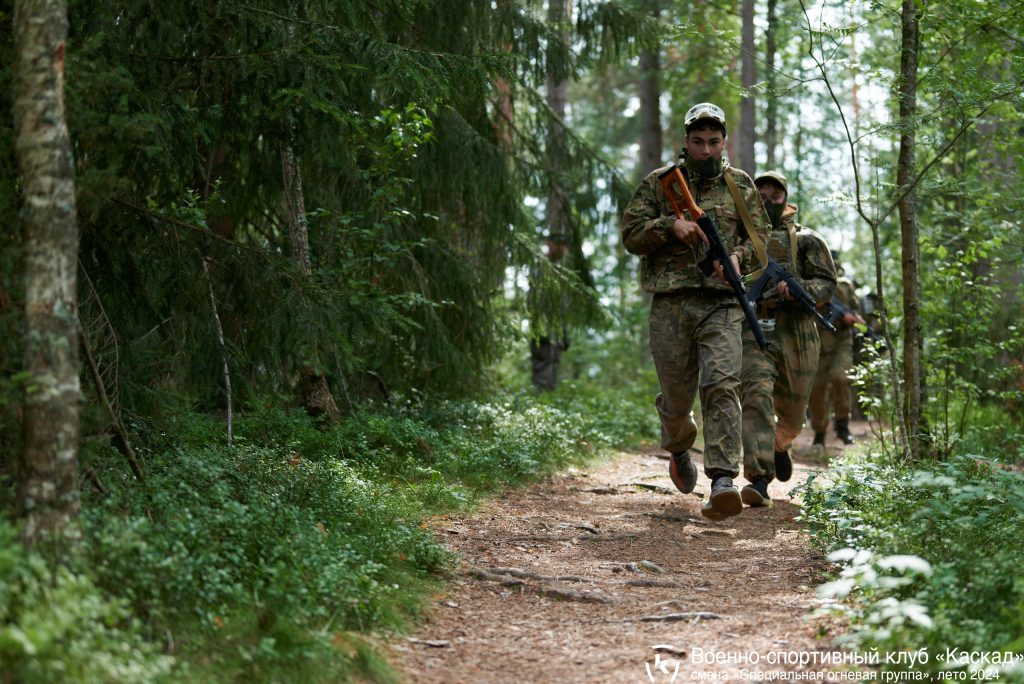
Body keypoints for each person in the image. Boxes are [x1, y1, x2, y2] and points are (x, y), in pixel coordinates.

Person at [621, 102, 771, 520]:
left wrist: (739, 257)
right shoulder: (660, 183)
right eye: (698, 141)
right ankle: (678, 447)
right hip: (671, 303)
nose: (706, 149)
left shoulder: (740, 184)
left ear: (725, 142)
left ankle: (722, 479)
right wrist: (670, 227)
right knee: (676, 396)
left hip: (722, 304)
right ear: (685, 142)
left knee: (722, 384)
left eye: (714, 141)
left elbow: (761, 237)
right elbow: (631, 234)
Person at [739, 171, 837, 507]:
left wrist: (798, 292)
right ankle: (758, 479)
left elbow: (827, 284)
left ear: (785, 197)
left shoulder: (808, 239)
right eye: (760, 192)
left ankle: (780, 444)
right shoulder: (742, 237)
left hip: (797, 329)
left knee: (794, 416)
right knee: (756, 397)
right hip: (753, 326)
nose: (767, 198)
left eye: (774, 193)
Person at [808, 263, 864, 450]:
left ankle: (842, 426)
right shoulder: (809, 284)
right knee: (817, 390)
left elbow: (856, 313)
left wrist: (851, 318)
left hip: (841, 341)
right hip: (816, 343)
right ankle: (819, 434)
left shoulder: (845, 286)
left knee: (841, 377)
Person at [529, 235, 570, 392]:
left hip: (556, 335)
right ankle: (539, 407)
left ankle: (548, 405)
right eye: (559, 245)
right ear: (550, 244)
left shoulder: (560, 271)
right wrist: (539, 329)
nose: (562, 250)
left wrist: (565, 334)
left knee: (553, 368)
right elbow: (534, 301)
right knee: (542, 370)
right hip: (542, 333)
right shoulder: (540, 268)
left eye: (564, 246)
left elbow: (563, 308)